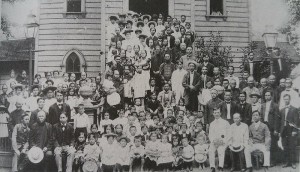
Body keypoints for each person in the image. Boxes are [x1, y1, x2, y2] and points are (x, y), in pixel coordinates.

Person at [279, 94, 299, 169]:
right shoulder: (282, 110)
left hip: (291, 130)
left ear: (289, 99)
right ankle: (287, 162)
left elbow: (296, 121)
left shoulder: (294, 109)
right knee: (285, 146)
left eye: (287, 99)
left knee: (292, 146)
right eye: (284, 99)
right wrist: (279, 131)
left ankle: (293, 162)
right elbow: (280, 121)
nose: (286, 100)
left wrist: (294, 130)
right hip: (283, 131)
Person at [261, 90, 280, 166]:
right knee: (265, 143)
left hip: (271, 126)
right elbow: (261, 116)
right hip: (264, 125)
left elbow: (277, 118)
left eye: (268, 95)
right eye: (266, 95)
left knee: (272, 144)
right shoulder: (263, 105)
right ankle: (266, 160)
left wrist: (276, 129)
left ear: (271, 96)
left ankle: (273, 161)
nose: (267, 97)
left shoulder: (275, 105)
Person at [208, 108, 230, 172]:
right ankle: (212, 167)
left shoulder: (225, 122)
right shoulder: (212, 124)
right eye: (215, 113)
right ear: (213, 114)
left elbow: (229, 133)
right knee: (211, 150)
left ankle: (221, 166)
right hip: (214, 142)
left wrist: (223, 141)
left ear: (220, 113)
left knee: (221, 150)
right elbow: (210, 135)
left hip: (222, 141)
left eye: (218, 112)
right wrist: (213, 141)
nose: (216, 114)